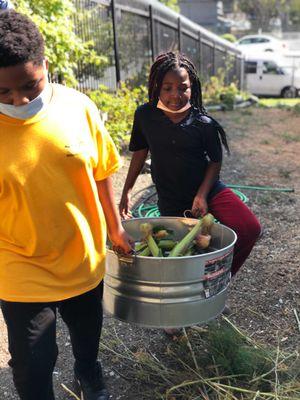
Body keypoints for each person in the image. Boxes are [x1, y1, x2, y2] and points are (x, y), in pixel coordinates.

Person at [0, 10, 132, 400]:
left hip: (82, 255)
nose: (18, 100)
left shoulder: (78, 108)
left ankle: (89, 373)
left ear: (46, 65)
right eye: (2, 93)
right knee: (33, 363)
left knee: (87, 334)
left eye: (29, 85)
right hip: (19, 263)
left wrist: (116, 229)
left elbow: (102, 171)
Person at [120, 51, 261, 277]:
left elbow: (215, 161)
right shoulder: (145, 116)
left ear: (192, 87)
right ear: (157, 87)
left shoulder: (203, 123)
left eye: (182, 87)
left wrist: (202, 194)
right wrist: (126, 190)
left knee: (250, 228)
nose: (175, 95)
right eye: (167, 88)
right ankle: (194, 292)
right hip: (171, 199)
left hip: (208, 189)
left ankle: (219, 280)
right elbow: (139, 152)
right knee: (183, 254)